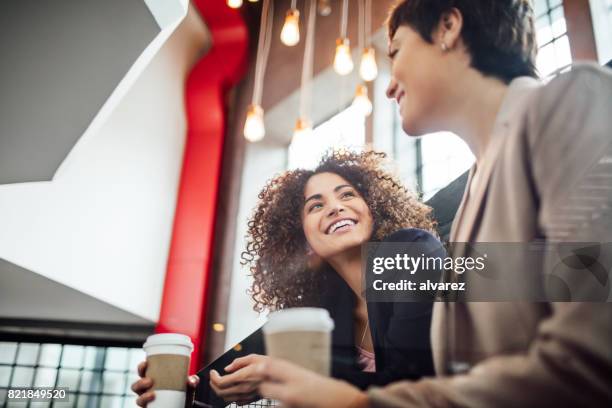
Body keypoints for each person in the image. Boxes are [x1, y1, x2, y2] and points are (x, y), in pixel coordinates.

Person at [252, 0, 612, 407]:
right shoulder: (475, 201)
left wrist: (357, 405)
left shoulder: (573, 100)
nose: (388, 86)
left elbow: (594, 356)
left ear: (447, 27)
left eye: (397, 51)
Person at [132, 150, 446, 407]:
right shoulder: (324, 316)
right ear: (304, 242)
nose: (336, 208)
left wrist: (281, 380)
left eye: (347, 194)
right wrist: (184, 401)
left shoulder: (411, 250)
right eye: (316, 206)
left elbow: (414, 384)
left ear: (371, 209)